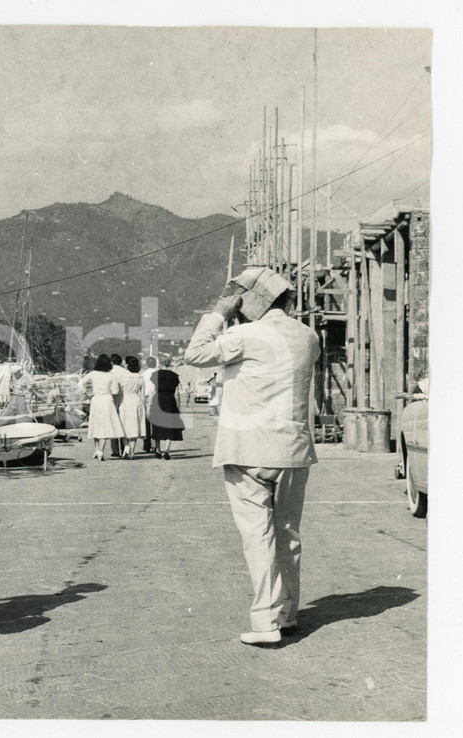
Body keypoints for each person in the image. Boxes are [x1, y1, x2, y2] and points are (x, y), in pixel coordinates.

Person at [184, 267, 319, 647]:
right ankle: (288, 613)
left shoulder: (243, 334)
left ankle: (265, 622)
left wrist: (219, 314)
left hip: (247, 450)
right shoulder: (308, 336)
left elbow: (195, 354)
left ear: (248, 304)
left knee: (257, 536)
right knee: (288, 533)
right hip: (293, 449)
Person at [79, 353, 124, 461]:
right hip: (107, 400)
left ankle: (97, 449)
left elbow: (80, 383)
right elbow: (116, 390)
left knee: (95, 424)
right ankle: (101, 450)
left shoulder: (93, 374)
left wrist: (87, 393)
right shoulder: (111, 375)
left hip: (96, 399)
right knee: (105, 425)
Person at [148, 356, 185, 459]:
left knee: (157, 425)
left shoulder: (155, 375)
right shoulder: (174, 376)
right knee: (170, 425)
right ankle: (167, 451)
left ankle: (158, 450)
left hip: (158, 400)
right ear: (170, 363)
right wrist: (178, 407)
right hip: (170, 401)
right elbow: (177, 393)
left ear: (160, 363)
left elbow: (152, 391)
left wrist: (149, 405)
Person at [117, 356, 146, 459]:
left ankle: (126, 447)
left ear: (127, 365)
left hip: (125, 400)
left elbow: (119, 391)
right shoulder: (140, 377)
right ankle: (132, 451)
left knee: (123, 425)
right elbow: (143, 393)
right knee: (135, 425)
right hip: (137, 400)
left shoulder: (123, 376)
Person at [109, 354, 128, 456]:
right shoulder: (125, 372)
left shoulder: (110, 372)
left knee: (114, 424)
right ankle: (125, 447)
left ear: (111, 362)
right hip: (124, 399)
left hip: (113, 399)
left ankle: (115, 450)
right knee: (123, 424)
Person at [140, 355, 158, 453]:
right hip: (156, 399)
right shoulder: (158, 373)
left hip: (145, 398)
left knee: (146, 423)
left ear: (147, 364)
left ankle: (147, 445)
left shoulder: (143, 374)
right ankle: (155, 444)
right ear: (155, 364)